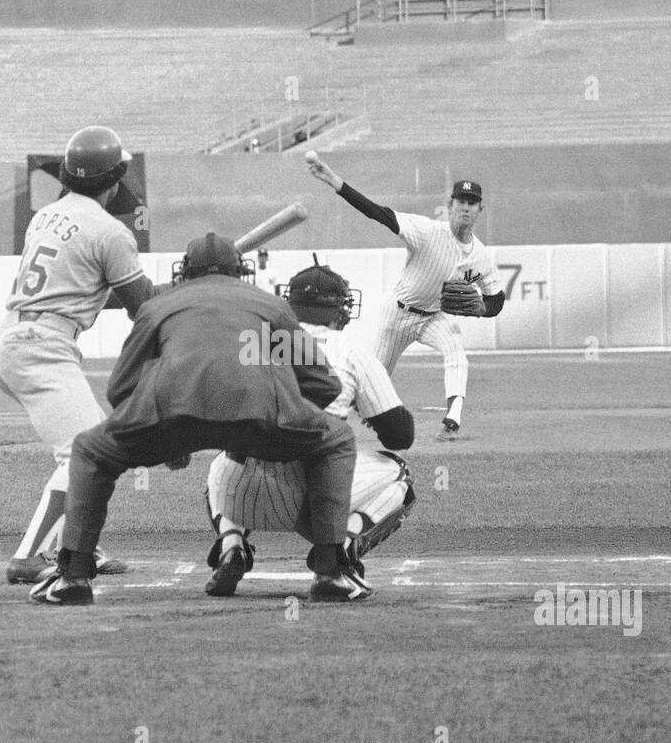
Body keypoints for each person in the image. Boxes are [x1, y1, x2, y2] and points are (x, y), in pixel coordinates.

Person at [31, 234, 368, 607]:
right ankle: (330, 572)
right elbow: (323, 382)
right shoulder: (270, 306)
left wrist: (159, 440)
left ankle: (72, 577)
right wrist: (283, 424)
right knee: (336, 439)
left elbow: (121, 388)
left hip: (170, 414)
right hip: (260, 417)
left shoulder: (157, 307)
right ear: (242, 271)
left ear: (184, 273)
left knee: (89, 450)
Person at [0, 126, 160, 586]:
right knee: (86, 456)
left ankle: (80, 542)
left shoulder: (45, 215)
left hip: (13, 338)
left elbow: (80, 292)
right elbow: (143, 310)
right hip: (41, 348)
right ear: (117, 178)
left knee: (85, 448)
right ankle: (28, 557)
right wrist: (175, 296)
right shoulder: (110, 231)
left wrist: (159, 294)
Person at [204, 260, 416, 596]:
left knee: (222, 458)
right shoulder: (350, 352)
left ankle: (232, 545)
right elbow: (400, 436)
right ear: (339, 311)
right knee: (400, 474)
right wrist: (359, 403)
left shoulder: (249, 342)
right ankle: (338, 553)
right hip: (317, 501)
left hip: (241, 497)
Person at [306, 155, 505, 441]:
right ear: (450, 206)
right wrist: (334, 181)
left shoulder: (481, 256)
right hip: (398, 315)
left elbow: (496, 300)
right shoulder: (426, 232)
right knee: (371, 381)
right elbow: (378, 213)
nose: (465, 207)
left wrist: (482, 308)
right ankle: (324, 421)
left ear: (479, 210)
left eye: (471, 203)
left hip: (433, 317)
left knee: (456, 352)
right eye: (460, 201)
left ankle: (452, 421)